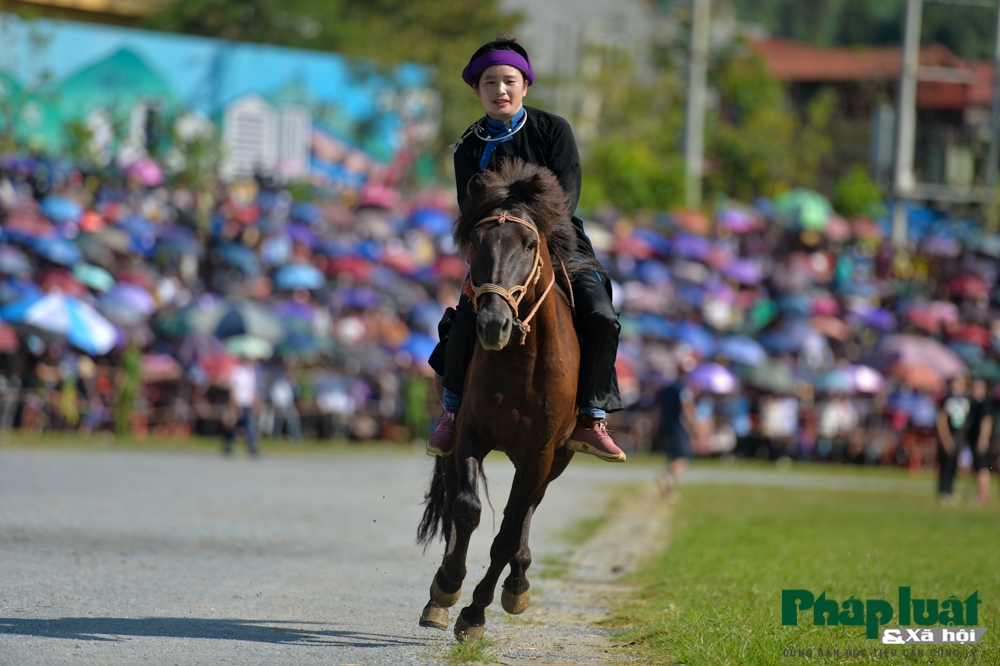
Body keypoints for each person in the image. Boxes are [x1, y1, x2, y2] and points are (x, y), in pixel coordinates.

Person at [427, 32, 625, 462]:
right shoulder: (468, 146)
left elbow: (566, 197)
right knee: (464, 322)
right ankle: (452, 413)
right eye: (490, 83)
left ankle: (591, 417)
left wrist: (529, 232)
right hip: (497, 252)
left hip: (558, 243)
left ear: (525, 85)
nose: (500, 89)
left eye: (509, 81)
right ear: (476, 90)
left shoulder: (554, 130)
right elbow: (469, 210)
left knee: (603, 318)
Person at [654, 367, 697, 499]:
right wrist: (693, 424)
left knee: (673, 455)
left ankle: (670, 488)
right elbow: (686, 407)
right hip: (678, 426)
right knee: (683, 457)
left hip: (666, 425)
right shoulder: (683, 389)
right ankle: (668, 477)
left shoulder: (667, 388)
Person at [936, 375, 971, 506]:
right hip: (949, 435)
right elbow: (942, 419)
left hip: (959, 436)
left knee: (955, 465)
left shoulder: (966, 399)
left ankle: (951, 490)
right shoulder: (947, 399)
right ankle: (943, 491)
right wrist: (945, 438)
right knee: (946, 464)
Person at [225, 360, 260, 457]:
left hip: (248, 403)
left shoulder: (251, 373)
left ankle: (252, 446)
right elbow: (233, 388)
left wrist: (256, 403)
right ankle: (228, 445)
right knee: (233, 425)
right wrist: (233, 404)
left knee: (250, 426)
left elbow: (253, 390)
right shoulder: (238, 371)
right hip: (238, 403)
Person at [968, 377, 994, 507]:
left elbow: (987, 421)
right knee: (979, 467)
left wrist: (983, 439)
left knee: (982, 468)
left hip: (981, 440)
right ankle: (980, 494)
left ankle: (982, 496)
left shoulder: (985, 403)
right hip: (975, 439)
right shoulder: (976, 402)